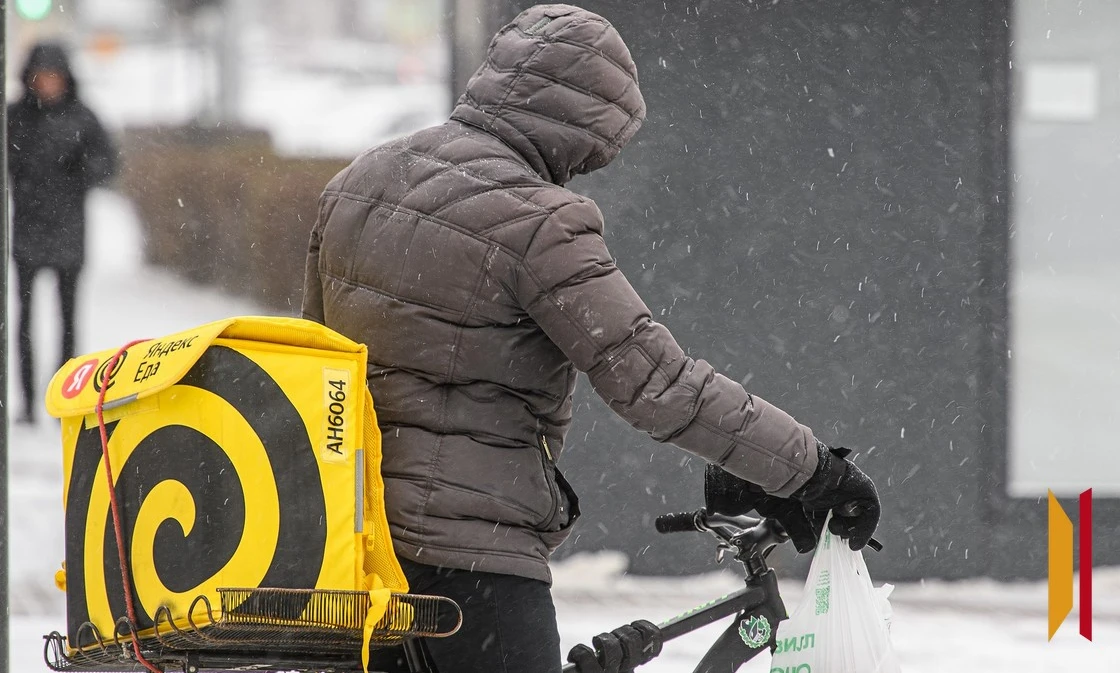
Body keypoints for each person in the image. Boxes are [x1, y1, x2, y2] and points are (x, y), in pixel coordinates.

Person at [301, 5, 880, 672]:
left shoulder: (359, 183)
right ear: (576, 123)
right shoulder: (538, 221)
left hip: (357, 557)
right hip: (474, 563)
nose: (581, 168)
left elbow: (318, 360)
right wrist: (814, 470)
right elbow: (657, 385)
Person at [8, 42, 116, 423]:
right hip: (27, 231)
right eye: (42, 76)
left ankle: (63, 402)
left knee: (68, 321)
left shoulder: (83, 118)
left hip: (69, 232)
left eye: (54, 76)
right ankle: (27, 403)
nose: (48, 83)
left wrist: (80, 169)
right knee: (24, 321)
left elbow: (107, 164)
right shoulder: (16, 118)